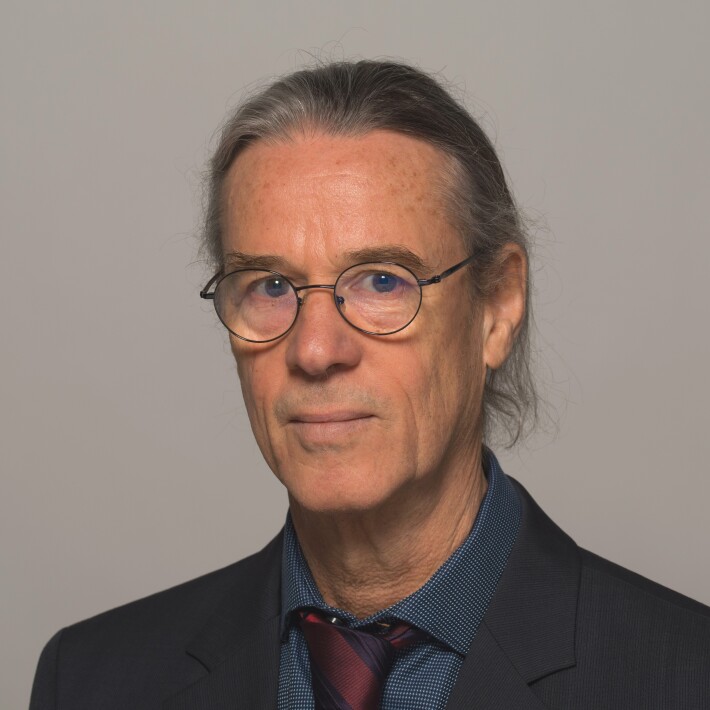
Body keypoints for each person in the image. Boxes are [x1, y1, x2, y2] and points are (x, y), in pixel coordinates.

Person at [30, 60, 709, 710]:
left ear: (497, 307)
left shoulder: (685, 678)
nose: (315, 350)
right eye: (271, 285)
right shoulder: (91, 682)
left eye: (383, 281)